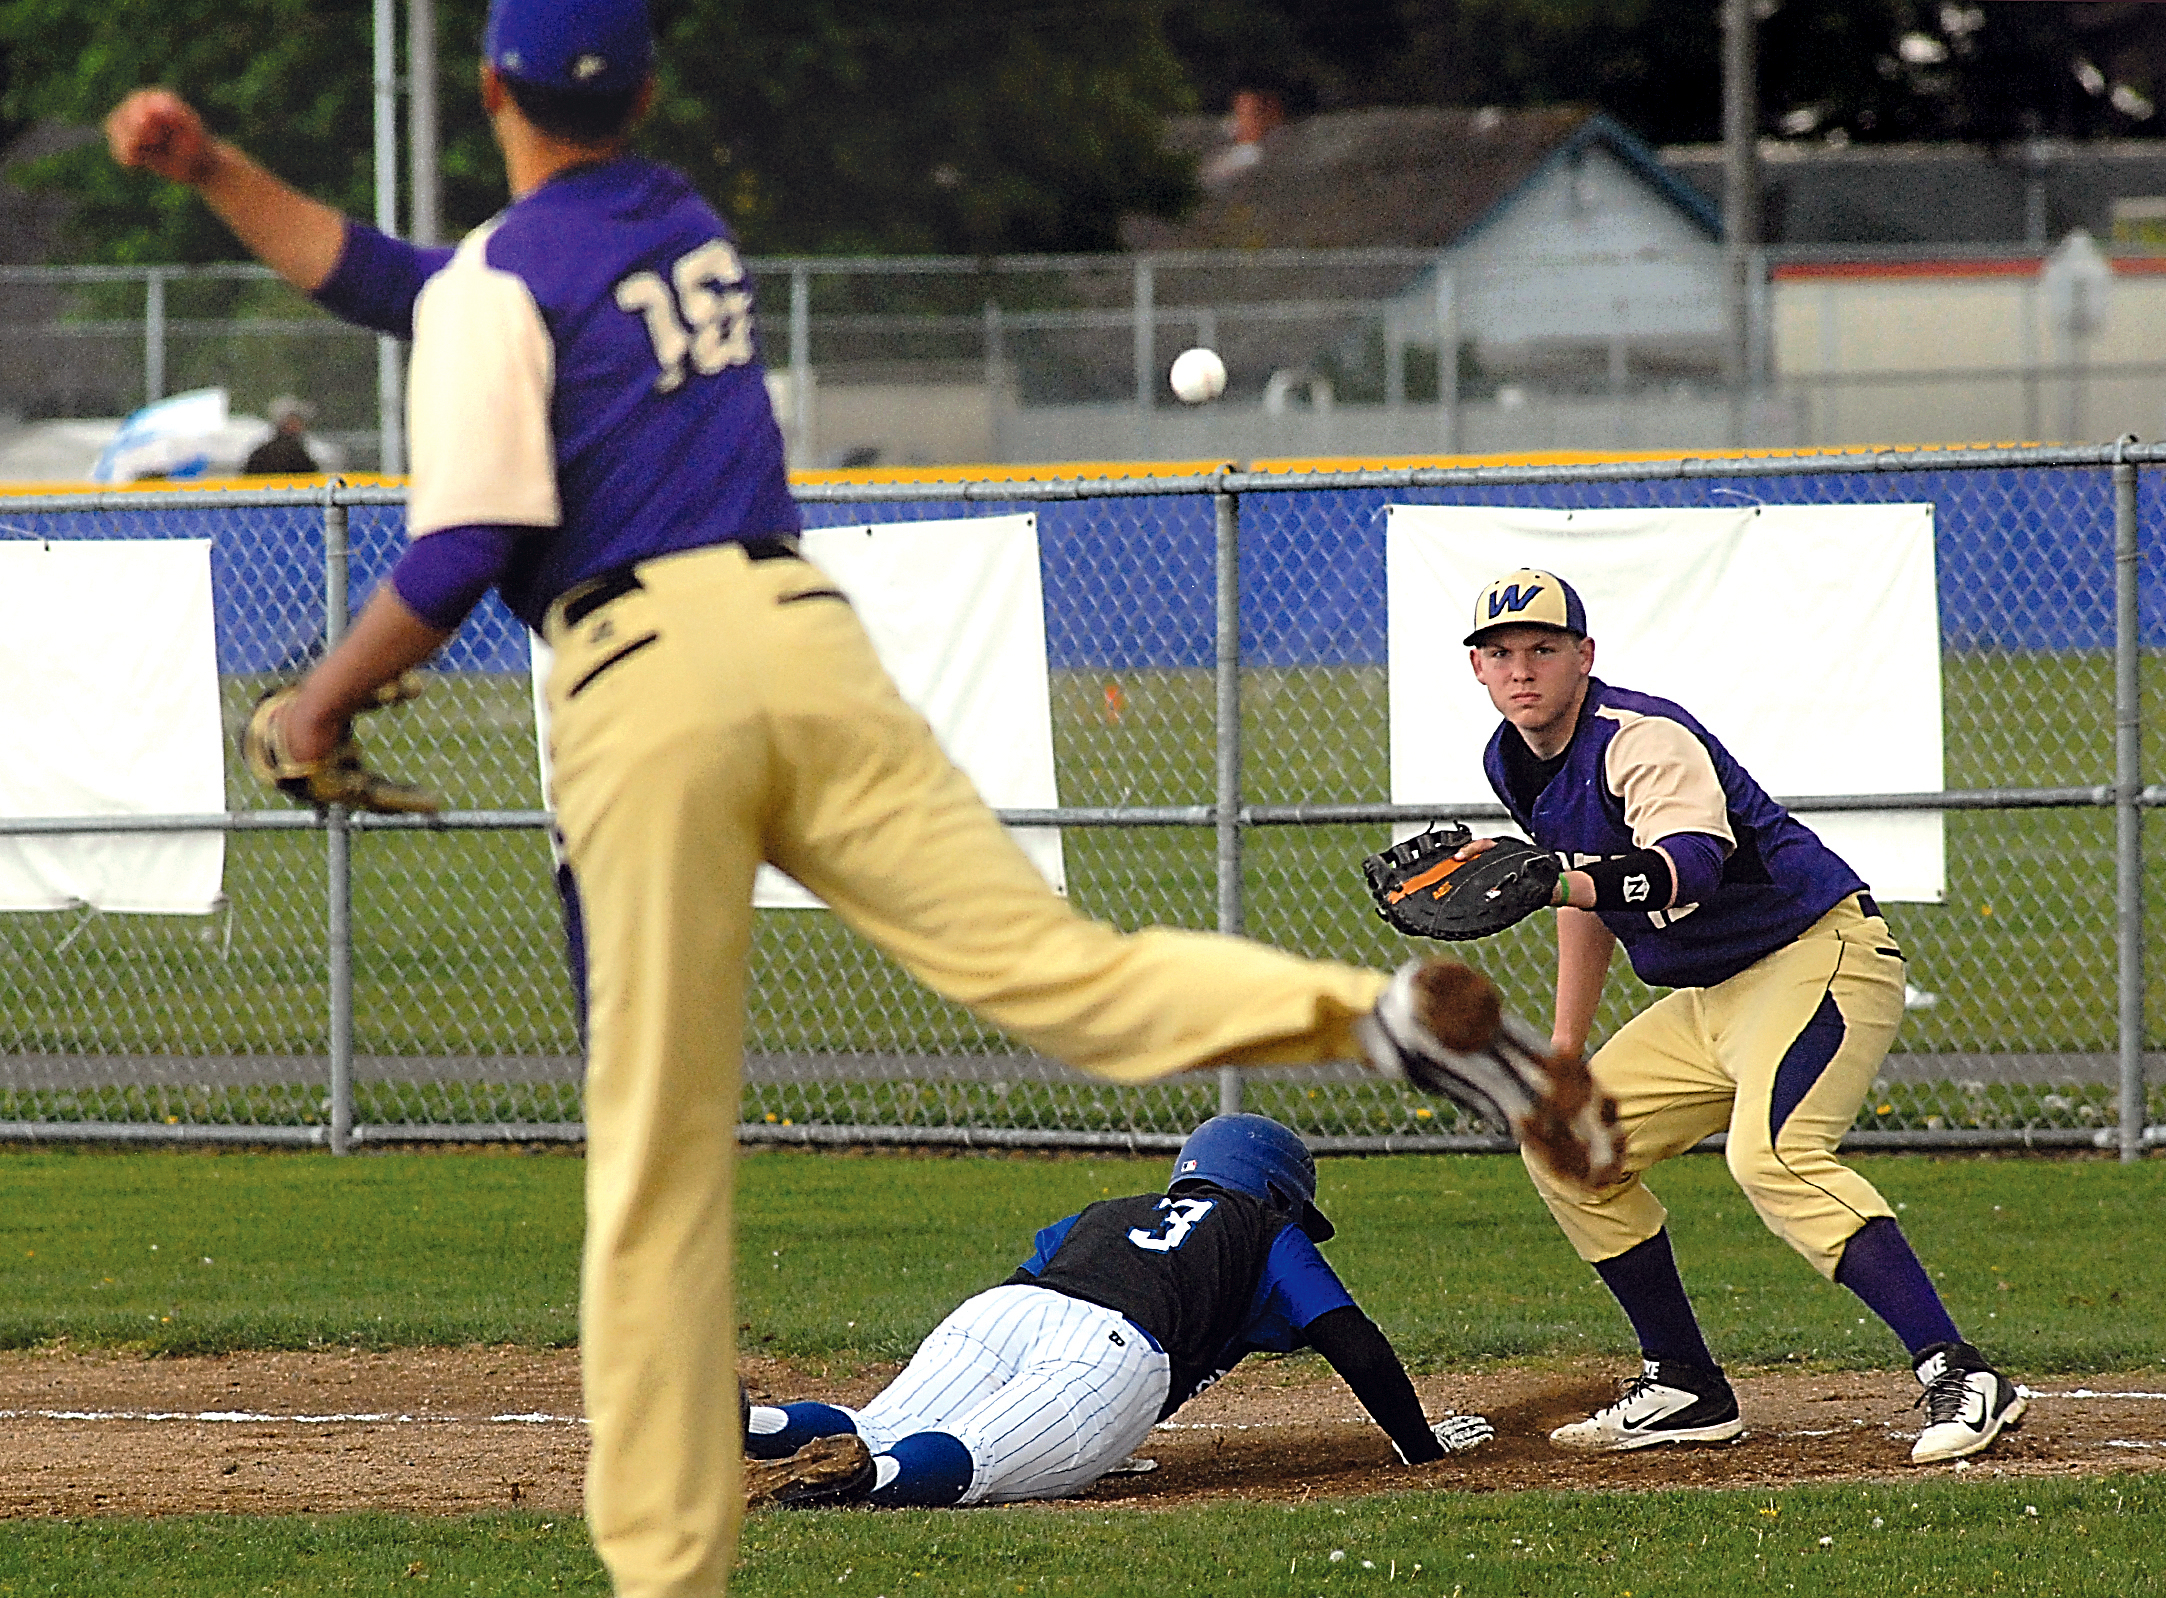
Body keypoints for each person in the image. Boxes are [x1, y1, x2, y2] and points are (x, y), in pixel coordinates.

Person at [102, 9, 1577, 1592]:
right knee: (1057, 971)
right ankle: (1375, 1018)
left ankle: (668, 1572)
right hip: (807, 643)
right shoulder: (684, 225)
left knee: (654, 1170)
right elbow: (403, 285)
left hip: (638, 680)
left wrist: (313, 701)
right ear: (644, 94)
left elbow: (465, 540)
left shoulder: (493, 291)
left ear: (484, 94)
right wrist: (219, 175)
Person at [1456, 567, 2024, 1466]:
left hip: (1813, 957)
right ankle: (1684, 1382)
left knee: (1773, 1156)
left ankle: (1959, 1371)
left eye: (1542, 648)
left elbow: (1689, 868)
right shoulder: (1510, 758)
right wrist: (1563, 1050)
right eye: (1498, 653)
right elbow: (1581, 900)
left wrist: (1562, 878)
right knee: (1562, 1141)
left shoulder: (1641, 738)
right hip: (1708, 999)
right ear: (1479, 672)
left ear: (1583, 657)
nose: (1520, 669)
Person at [742, 1114, 1493, 1510]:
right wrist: (1418, 1448)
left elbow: (1022, 1294)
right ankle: (852, 1489)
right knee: (972, 1459)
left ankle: (751, 1425)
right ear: (1278, 1194)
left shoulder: (1110, 1208)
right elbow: (1353, 1344)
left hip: (1005, 1311)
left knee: (875, 1423)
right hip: (1111, 1351)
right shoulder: (1268, 1233)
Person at [243, 395, 319, 474]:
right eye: (293, 421)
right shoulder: (264, 455)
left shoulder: (302, 454)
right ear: (282, 423)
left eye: (299, 421)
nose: (297, 426)